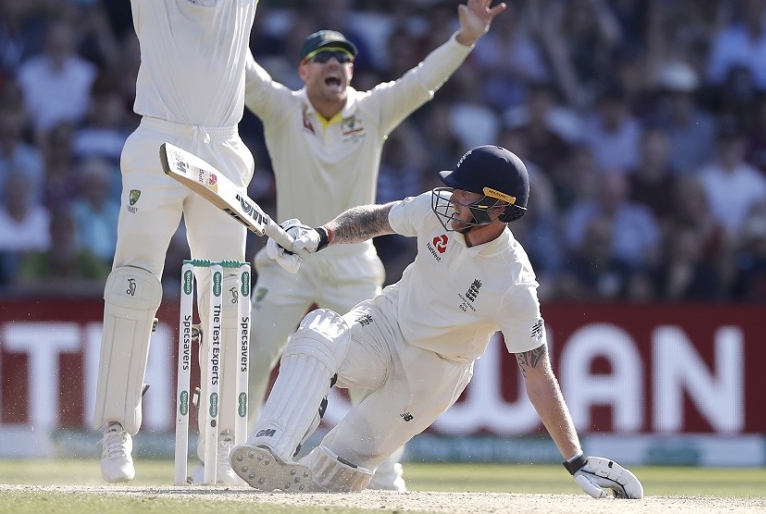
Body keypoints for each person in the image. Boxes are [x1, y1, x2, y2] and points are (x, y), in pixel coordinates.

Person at [84, 0, 331, 485]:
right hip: (156, 146)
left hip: (223, 150)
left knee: (224, 295)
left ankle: (223, 444)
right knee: (134, 283)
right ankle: (117, 433)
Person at [229, 146, 644, 499]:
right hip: (387, 323)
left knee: (333, 473)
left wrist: (575, 459)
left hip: (432, 375)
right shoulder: (436, 207)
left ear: (498, 207)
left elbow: (538, 376)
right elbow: (377, 219)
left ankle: (314, 467)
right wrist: (321, 236)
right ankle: (271, 444)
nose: (453, 197)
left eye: (465, 191)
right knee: (319, 333)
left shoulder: (514, 284)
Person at [244, 0, 506, 491]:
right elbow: (242, 71)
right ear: (303, 71)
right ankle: (235, 451)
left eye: (344, 58)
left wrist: (464, 39)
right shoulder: (281, 109)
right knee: (254, 357)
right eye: (323, 58)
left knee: (378, 368)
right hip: (291, 258)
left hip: (352, 262)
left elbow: (421, 81)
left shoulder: (371, 110)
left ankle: (382, 466)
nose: (336, 64)